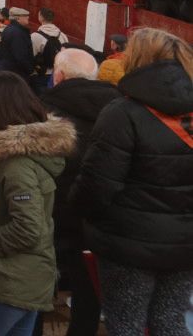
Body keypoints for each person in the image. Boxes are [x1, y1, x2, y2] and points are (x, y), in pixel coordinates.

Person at [74, 27, 193, 334]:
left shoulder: (122, 113)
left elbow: (97, 185)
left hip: (127, 242)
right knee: (171, 322)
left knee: (126, 324)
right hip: (185, 244)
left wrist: (81, 212)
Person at [0, 72, 75, 336]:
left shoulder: (17, 166)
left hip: (8, 283)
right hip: (15, 281)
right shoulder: (9, 158)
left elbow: (27, 229)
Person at [40, 47, 118, 336]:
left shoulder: (42, 108)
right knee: (88, 290)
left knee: (38, 285)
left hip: (50, 211)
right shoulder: (118, 109)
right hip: (95, 214)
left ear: (58, 75)